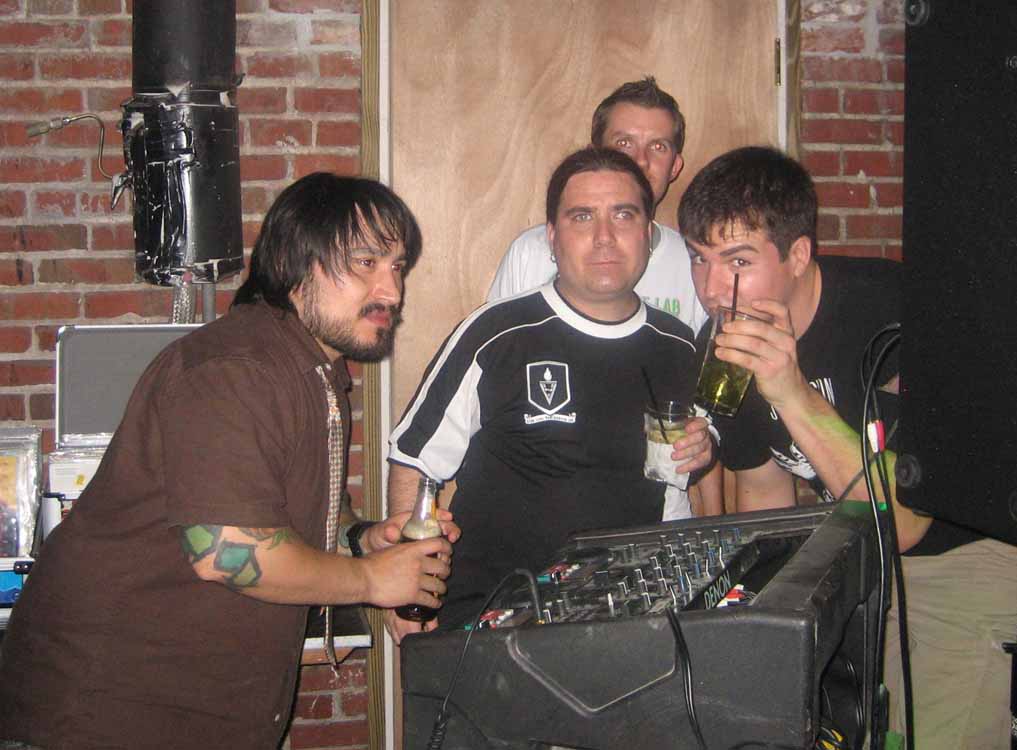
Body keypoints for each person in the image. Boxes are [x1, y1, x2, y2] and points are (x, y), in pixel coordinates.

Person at [0, 173, 458, 750]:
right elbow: (227, 550)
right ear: (296, 264)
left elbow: (300, 515)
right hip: (103, 711)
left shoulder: (315, 372)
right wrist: (372, 580)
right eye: (366, 263)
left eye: (397, 267)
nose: (391, 291)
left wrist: (363, 540)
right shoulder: (235, 369)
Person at [678, 145, 1017, 748]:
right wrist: (760, 618)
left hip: (965, 554)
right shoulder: (727, 335)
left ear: (798, 255)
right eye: (698, 259)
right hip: (863, 557)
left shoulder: (898, 316)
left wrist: (792, 392)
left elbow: (904, 521)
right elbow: (764, 493)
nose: (710, 288)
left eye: (737, 261)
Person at [385, 148, 721, 644]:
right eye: (582, 216)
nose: (604, 236)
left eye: (623, 215)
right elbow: (416, 463)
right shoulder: (496, 334)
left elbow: (677, 484)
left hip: (628, 624)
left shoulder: (678, 345)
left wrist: (703, 446)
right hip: (493, 625)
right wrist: (410, 587)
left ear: (649, 236)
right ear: (551, 237)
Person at [488, 77, 712, 522]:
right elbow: (490, 388)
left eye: (658, 147)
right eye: (624, 142)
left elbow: (703, 411)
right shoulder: (532, 252)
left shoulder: (697, 263)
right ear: (596, 152)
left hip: (658, 512)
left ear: (676, 165)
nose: (640, 161)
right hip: (547, 507)